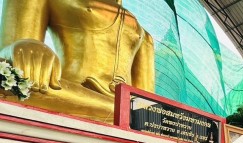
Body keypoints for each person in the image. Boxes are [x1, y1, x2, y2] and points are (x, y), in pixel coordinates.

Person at [0, 0, 155, 123]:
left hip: (124, 106)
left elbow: (148, 102)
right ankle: (125, 116)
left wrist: (150, 116)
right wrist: (25, 46)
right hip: (69, 90)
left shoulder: (144, 36)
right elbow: (6, 60)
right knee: (19, 83)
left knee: (152, 116)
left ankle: (125, 115)